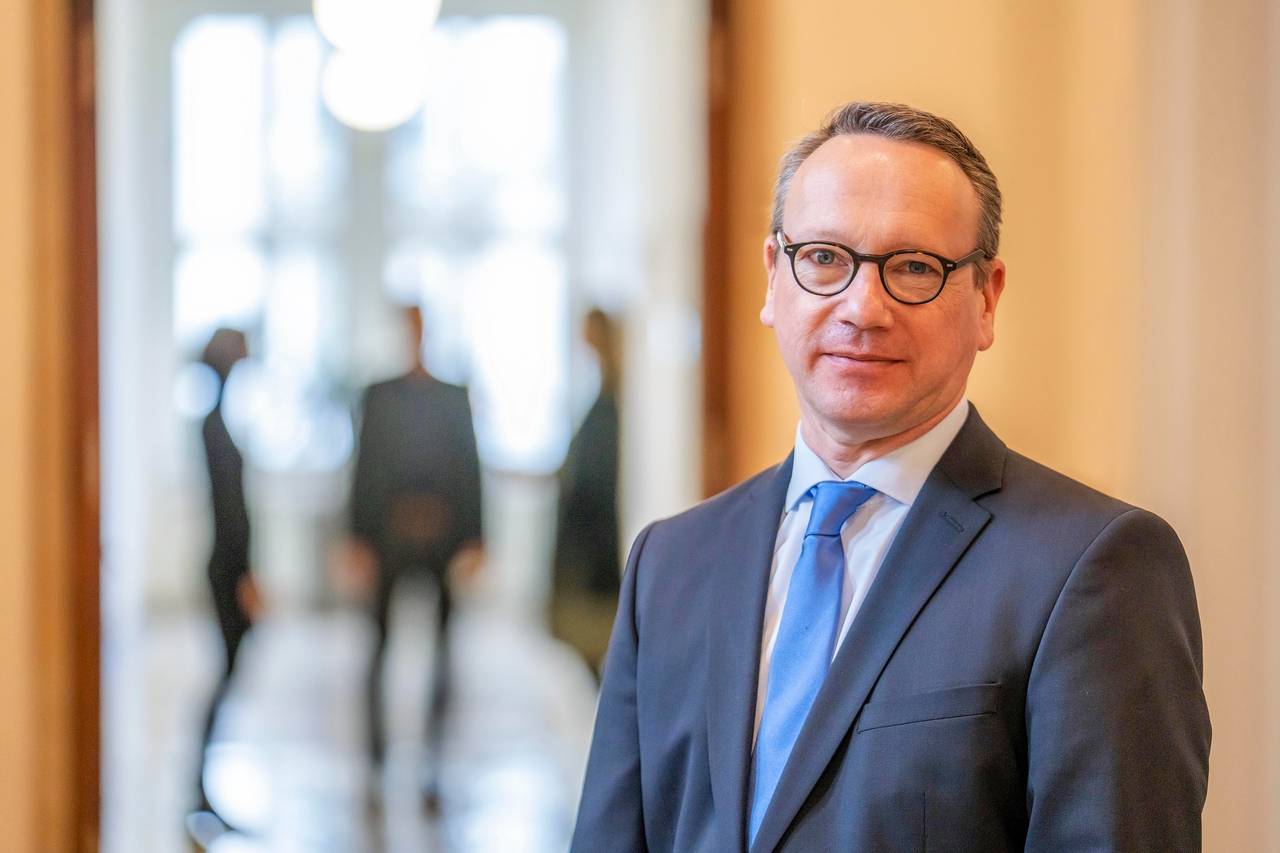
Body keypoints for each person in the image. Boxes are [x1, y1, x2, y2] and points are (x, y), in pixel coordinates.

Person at [571, 102, 1210, 852]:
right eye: (824, 258)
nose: (862, 308)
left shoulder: (1094, 568)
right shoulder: (670, 564)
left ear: (986, 298)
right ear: (774, 277)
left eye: (913, 267)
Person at [349, 304, 484, 810]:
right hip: (388, 538)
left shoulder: (452, 397)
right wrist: (356, 539)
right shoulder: (379, 396)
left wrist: (475, 539)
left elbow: (470, 468)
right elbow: (363, 468)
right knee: (377, 648)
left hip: (441, 538)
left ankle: (434, 762)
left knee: (444, 653)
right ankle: (375, 762)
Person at [189, 327, 262, 843]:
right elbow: (231, 514)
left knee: (229, 673)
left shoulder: (217, 422)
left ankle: (201, 787)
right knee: (225, 673)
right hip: (226, 567)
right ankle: (197, 787)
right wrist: (244, 576)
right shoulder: (213, 426)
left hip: (229, 565)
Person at [549, 308, 622, 678]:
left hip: (595, 542)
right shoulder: (599, 396)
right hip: (584, 538)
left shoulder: (613, 403)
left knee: (594, 634)